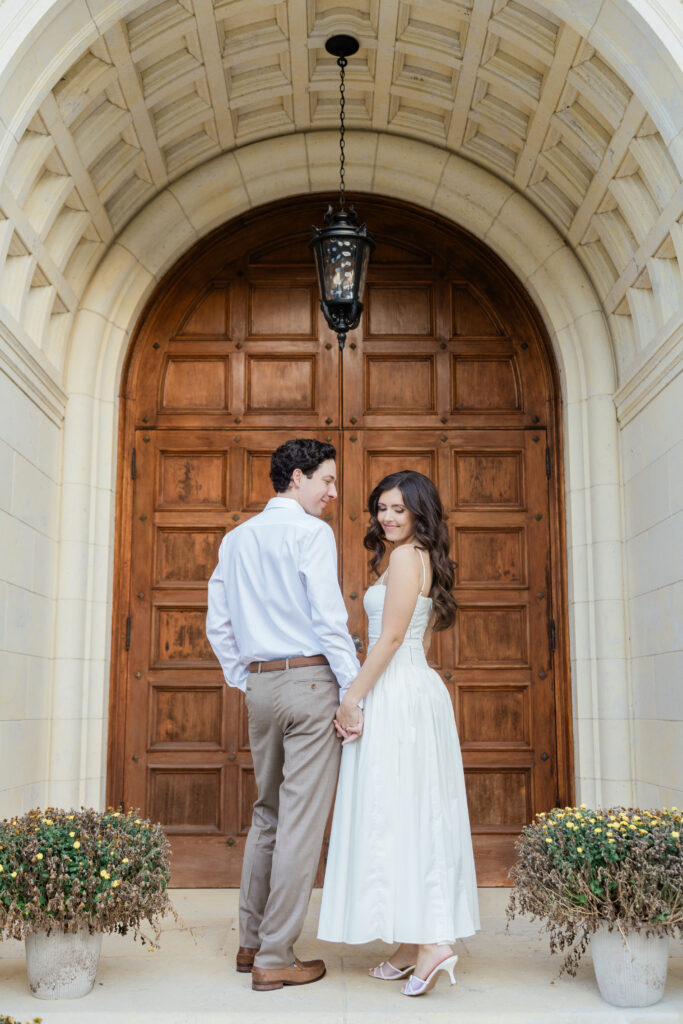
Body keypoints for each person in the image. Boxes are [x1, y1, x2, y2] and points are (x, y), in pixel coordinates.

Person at [317, 469, 480, 997]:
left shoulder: (409, 558)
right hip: (404, 688)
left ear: (418, 513)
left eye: (397, 509)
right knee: (404, 808)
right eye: (381, 508)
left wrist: (351, 697)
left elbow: (387, 640)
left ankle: (433, 941)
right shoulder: (406, 556)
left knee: (407, 810)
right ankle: (413, 942)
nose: (386, 518)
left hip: (399, 689)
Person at [206, 438, 360, 992]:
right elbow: (328, 617)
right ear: (297, 477)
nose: (332, 492)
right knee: (299, 822)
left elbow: (218, 621)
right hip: (312, 681)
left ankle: (251, 943)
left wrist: (243, 677)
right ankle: (276, 956)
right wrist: (351, 692)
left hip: (263, 688)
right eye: (326, 480)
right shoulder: (311, 533)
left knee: (267, 814)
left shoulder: (237, 538)